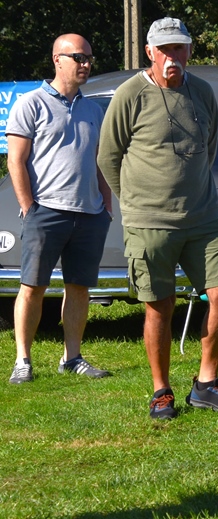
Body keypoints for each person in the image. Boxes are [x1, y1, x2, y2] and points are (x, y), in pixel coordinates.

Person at [97, 17, 218, 419]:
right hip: (149, 222)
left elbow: (209, 147)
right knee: (159, 306)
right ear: (149, 52)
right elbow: (108, 156)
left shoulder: (202, 91)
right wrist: (136, 203)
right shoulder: (130, 94)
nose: (171, 57)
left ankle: (206, 384)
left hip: (203, 217)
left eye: (178, 48)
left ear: (189, 50)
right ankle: (161, 391)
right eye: (164, 50)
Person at [6, 34, 112, 384]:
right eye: (79, 57)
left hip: (90, 214)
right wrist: (29, 207)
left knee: (79, 288)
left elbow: (99, 161)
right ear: (57, 59)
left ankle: (72, 357)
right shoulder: (31, 103)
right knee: (32, 287)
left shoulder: (93, 109)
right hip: (45, 212)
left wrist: (106, 205)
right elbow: (15, 161)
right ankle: (23, 360)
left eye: (89, 58)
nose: (86, 64)